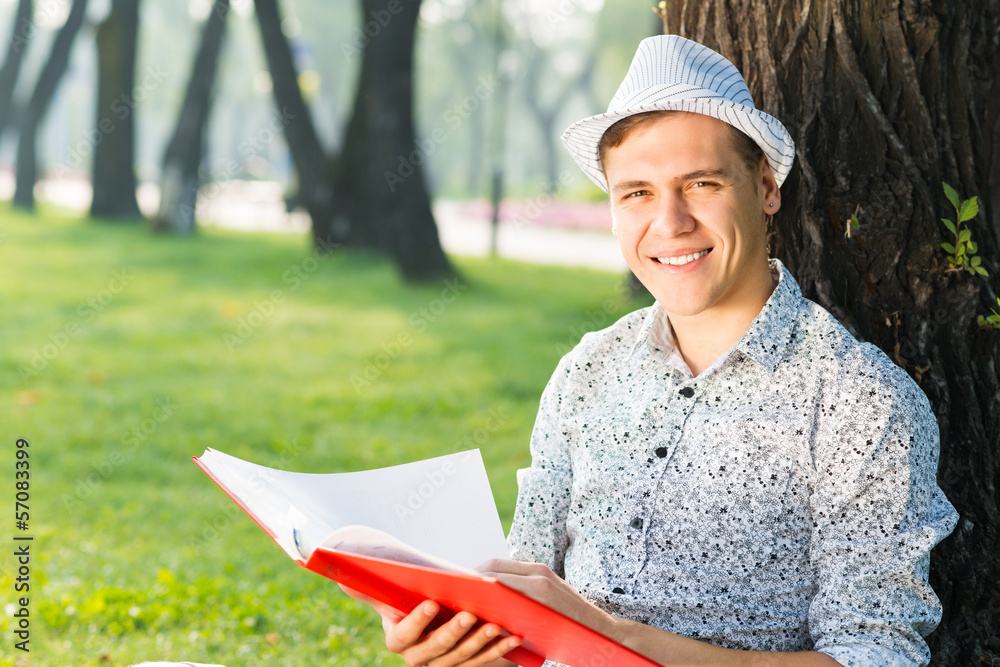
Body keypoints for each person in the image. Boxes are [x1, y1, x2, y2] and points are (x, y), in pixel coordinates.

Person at [345, 35, 959, 667]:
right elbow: (525, 593)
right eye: (636, 192)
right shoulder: (587, 370)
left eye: (700, 183)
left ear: (767, 187)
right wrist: (454, 637)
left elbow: (874, 655)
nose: (669, 222)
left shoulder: (859, 402)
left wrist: (612, 636)